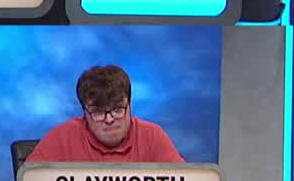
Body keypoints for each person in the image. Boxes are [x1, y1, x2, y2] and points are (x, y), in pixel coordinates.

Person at [27, 65, 184, 163]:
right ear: (84, 112)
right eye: (98, 113)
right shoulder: (62, 137)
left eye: (117, 110)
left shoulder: (152, 136)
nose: (109, 119)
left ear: (130, 105)